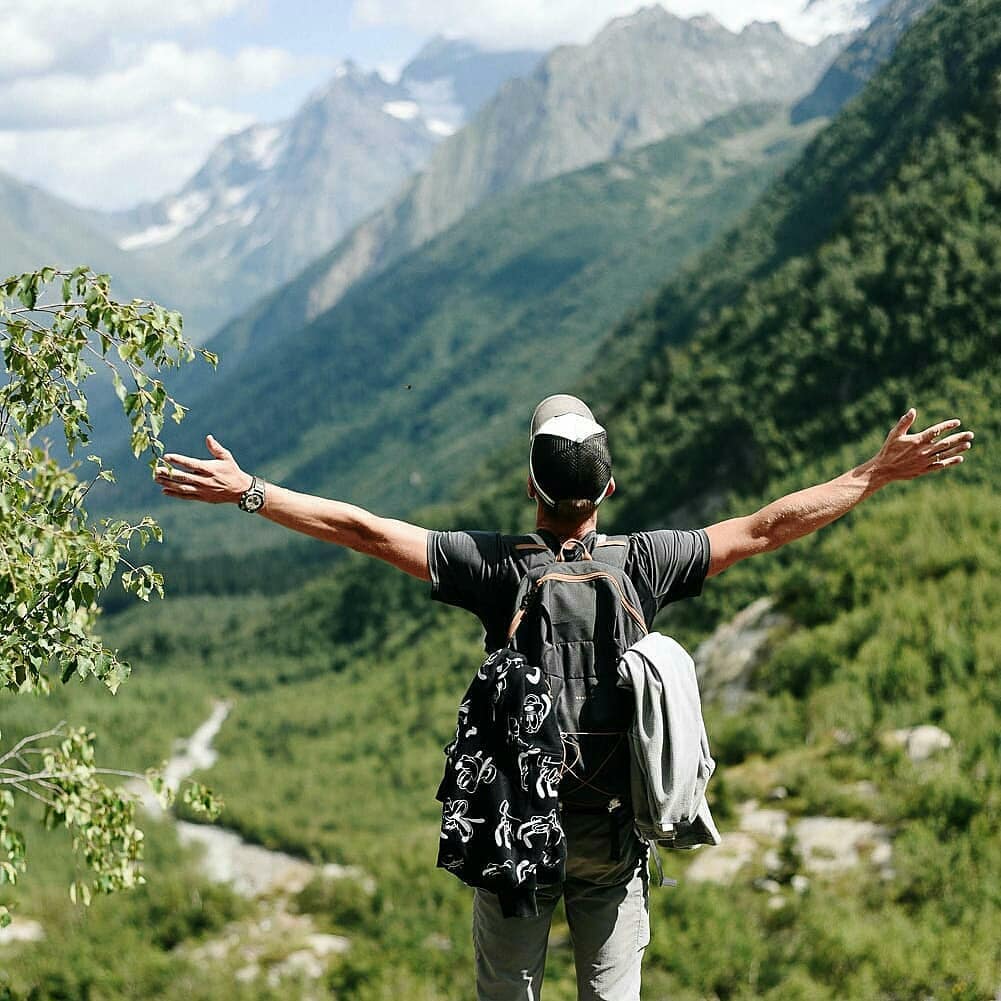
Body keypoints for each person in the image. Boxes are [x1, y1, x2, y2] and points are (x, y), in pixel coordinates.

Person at [155, 396, 973, 1001]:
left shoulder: (493, 566)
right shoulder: (645, 563)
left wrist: (248, 490)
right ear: (607, 489)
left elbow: (362, 529)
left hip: (518, 831)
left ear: (530, 489)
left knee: (508, 985)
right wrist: (871, 474)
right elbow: (767, 526)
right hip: (615, 834)